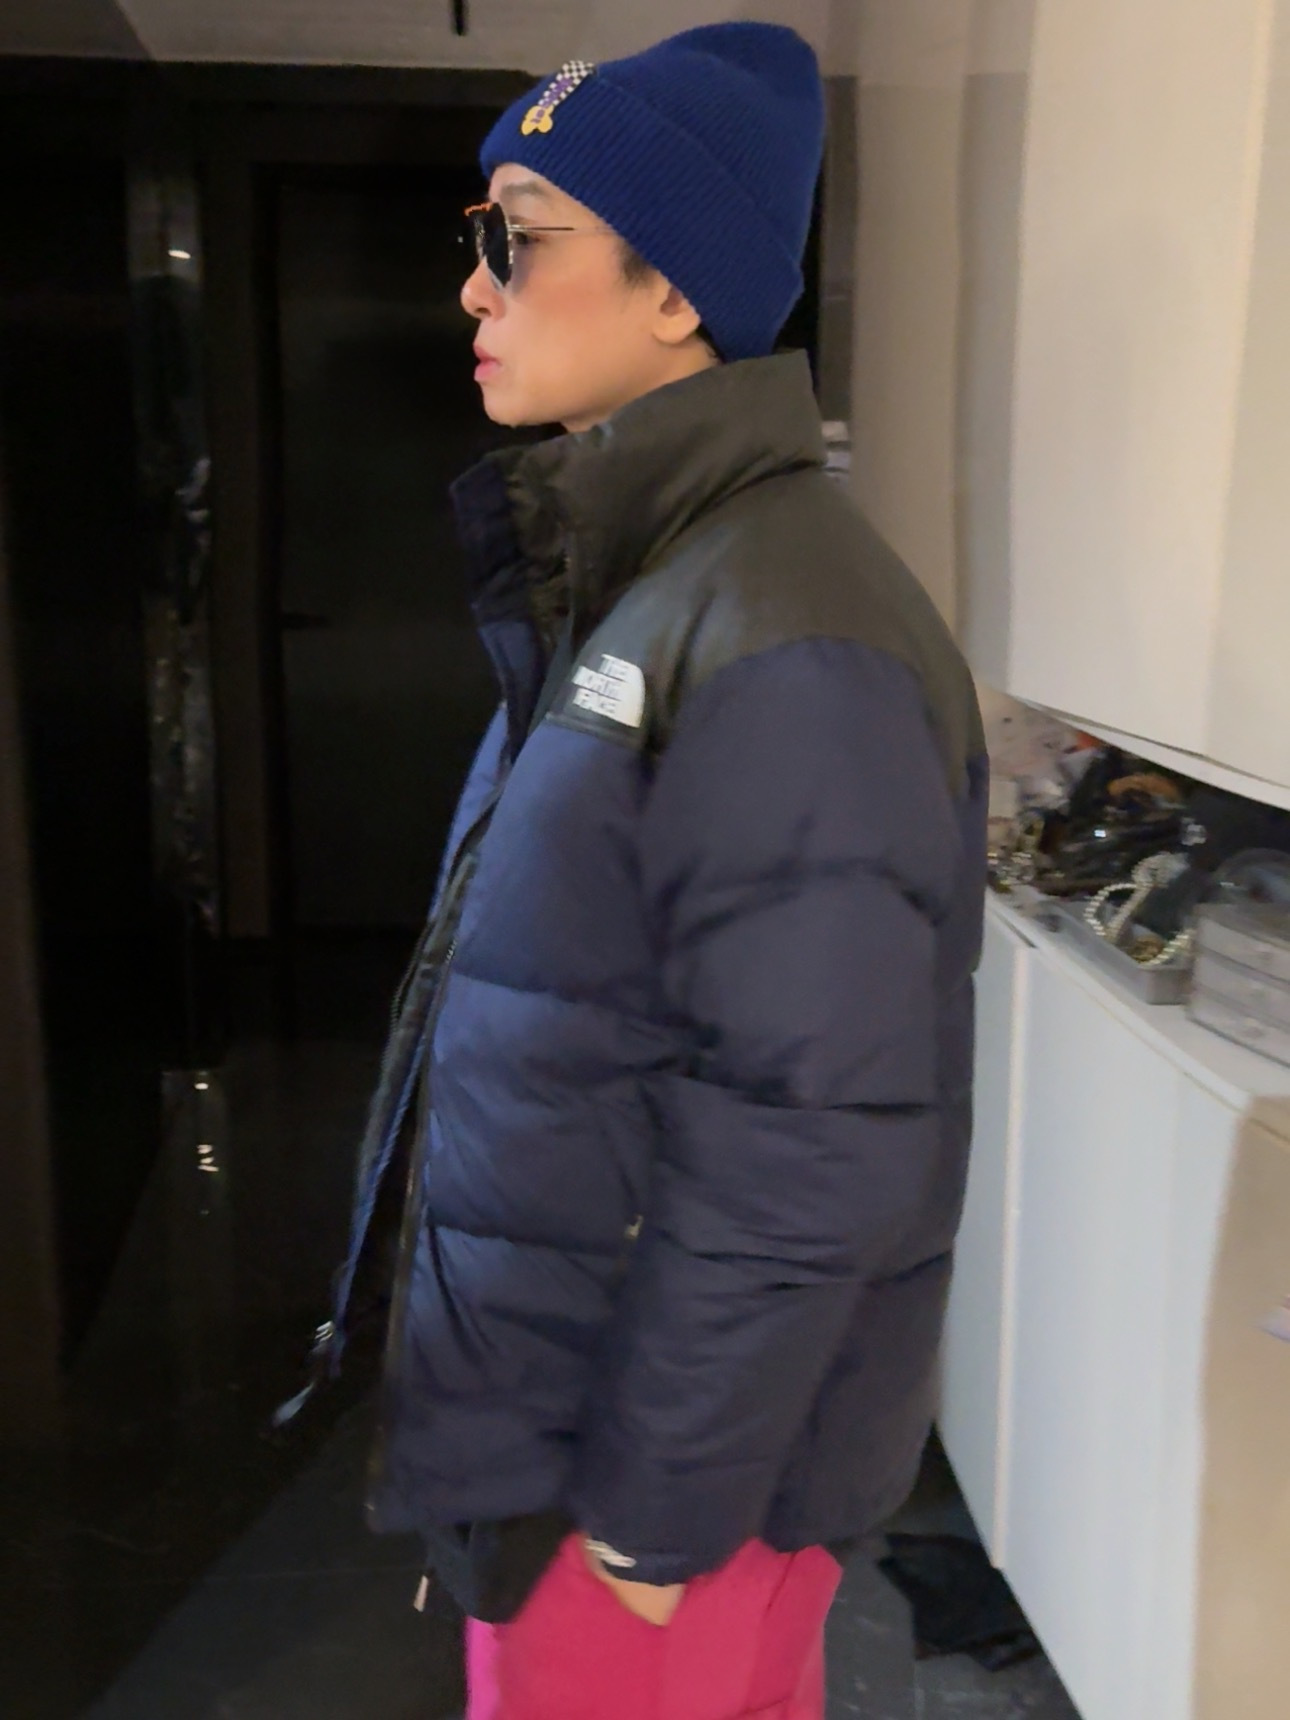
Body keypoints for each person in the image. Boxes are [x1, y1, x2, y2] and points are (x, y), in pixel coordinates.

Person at [321, 22, 987, 1720]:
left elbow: (813, 1130)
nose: (472, 287)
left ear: (675, 288)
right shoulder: (662, 583)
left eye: (518, 237)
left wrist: (659, 1502)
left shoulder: (777, 625)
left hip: (634, 1490)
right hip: (578, 1431)